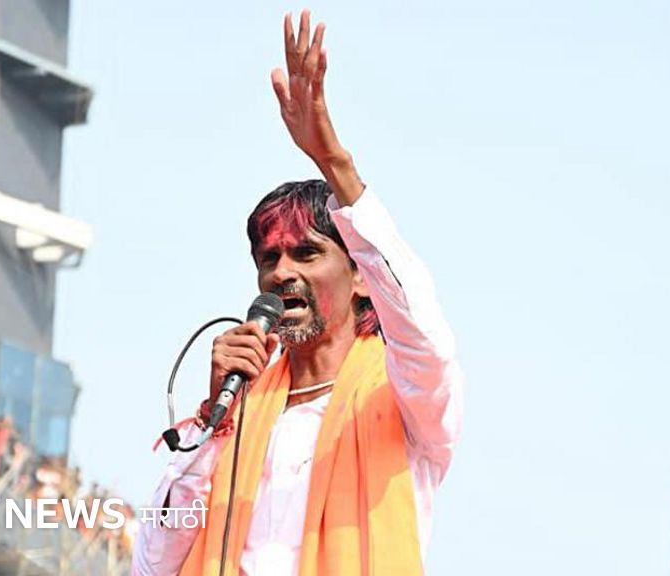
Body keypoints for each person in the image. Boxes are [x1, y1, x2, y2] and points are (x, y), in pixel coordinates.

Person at [132, 10, 463, 575]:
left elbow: (424, 331)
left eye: (306, 253)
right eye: (269, 259)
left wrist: (334, 163)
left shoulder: (408, 398)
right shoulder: (237, 408)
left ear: (361, 275)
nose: (281, 272)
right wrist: (215, 421)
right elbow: (152, 563)